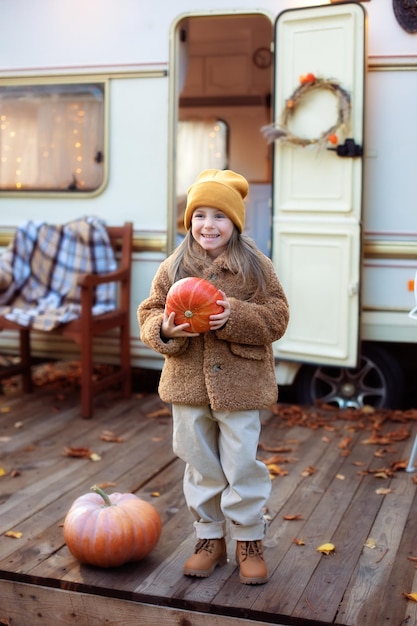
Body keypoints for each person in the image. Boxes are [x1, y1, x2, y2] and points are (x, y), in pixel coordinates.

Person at [138, 169, 289, 585]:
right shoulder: (174, 265)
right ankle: (209, 538)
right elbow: (149, 312)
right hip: (187, 385)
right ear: (189, 222)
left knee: (242, 464)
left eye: (219, 216)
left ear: (235, 223)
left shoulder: (256, 267)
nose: (208, 224)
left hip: (241, 385)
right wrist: (165, 330)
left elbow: (278, 317)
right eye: (200, 215)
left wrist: (235, 315)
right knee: (200, 463)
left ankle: (248, 538)